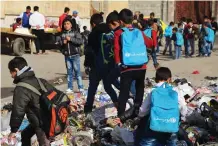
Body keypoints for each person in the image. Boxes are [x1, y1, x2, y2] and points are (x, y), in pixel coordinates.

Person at [114, 8, 153, 117]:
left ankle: (121, 115)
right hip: (141, 66)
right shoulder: (139, 32)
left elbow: (116, 49)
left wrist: (118, 63)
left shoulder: (118, 32)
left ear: (121, 21)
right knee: (140, 89)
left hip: (127, 67)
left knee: (124, 92)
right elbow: (150, 43)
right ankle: (137, 112)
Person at [7, 57, 51, 146]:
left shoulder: (20, 88)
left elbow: (18, 111)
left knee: (44, 143)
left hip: (41, 122)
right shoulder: (40, 80)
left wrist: (13, 130)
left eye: (11, 72)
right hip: (48, 116)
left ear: (16, 70)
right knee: (25, 134)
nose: (11, 75)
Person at [84, 13, 119, 114]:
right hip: (109, 64)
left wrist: (87, 65)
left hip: (96, 66)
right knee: (110, 84)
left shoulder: (93, 33)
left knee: (92, 88)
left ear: (93, 24)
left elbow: (89, 51)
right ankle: (119, 102)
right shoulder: (110, 30)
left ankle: (88, 108)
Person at [58, 18, 84, 94]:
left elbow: (80, 41)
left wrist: (71, 39)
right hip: (67, 56)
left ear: (71, 25)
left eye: (68, 23)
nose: (66, 25)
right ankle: (70, 88)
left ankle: (80, 87)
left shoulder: (75, 33)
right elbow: (58, 44)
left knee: (77, 72)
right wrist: (63, 43)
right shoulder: (62, 34)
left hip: (75, 55)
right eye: (65, 24)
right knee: (69, 73)